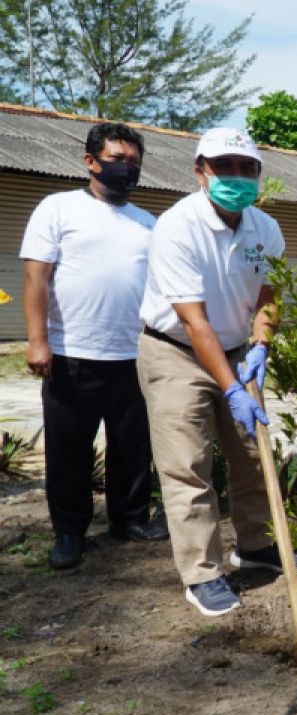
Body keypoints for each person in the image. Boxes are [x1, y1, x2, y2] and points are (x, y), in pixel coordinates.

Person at [138, 128, 297, 617]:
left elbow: (268, 298)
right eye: (224, 167)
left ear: (258, 175)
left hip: (236, 347)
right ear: (201, 172)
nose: (237, 176)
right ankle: (202, 573)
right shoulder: (177, 227)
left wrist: (260, 344)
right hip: (173, 350)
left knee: (253, 454)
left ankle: (255, 546)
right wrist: (232, 387)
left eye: (246, 168)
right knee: (188, 465)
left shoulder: (266, 228)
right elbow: (194, 322)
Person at [20, 122, 165, 569]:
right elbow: (35, 278)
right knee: (68, 451)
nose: (125, 169)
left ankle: (129, 518)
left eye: (133, 163)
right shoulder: (57, 209)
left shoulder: (148, 223)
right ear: (90, 161)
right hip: (70, 353)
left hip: (132, 355)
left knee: (132, 446)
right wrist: (38, 341)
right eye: (117, 159)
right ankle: (69, 533)